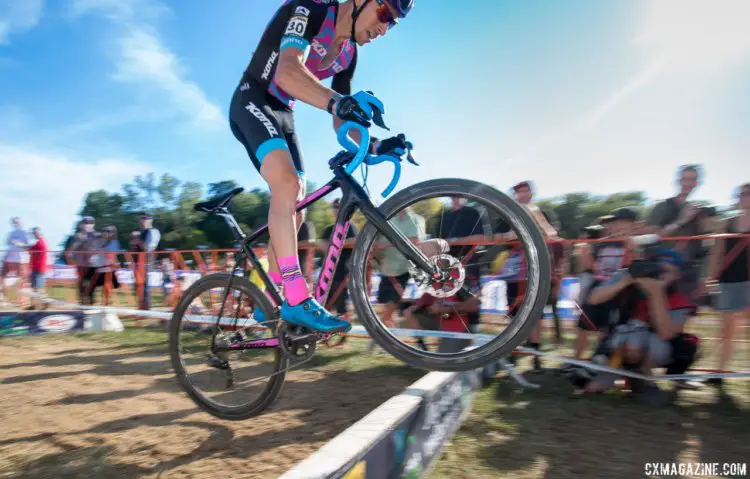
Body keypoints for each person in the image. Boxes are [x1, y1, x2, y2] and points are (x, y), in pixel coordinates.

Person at [231, 0, 416, 333]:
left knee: (297, 203)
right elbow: (287, 72)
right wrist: (338, 102)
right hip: (253, 97)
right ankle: (296, 295)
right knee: (287, 184)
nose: (384, 29)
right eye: (385, 13)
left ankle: (268, 297)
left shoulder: (349, 55)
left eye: (393, 24)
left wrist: (374, 144)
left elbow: (339, 121)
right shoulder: (312, 9)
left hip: (284, 114)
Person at [704, 183, 750, 388]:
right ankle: (719, 372)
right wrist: (710, 277)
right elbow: (717, 252)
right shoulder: (726, 223)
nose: (744, 197)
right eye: (741, 194)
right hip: (729, 280)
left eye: (747, 194)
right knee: (727, 331)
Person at [27, 227, 48, 310]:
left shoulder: (40, 243)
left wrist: (22, 245)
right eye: (34, 233)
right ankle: (34, 305)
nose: (34, 234)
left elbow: (30, 250)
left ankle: (44, 302)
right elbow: (30, 250)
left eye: (35, 233)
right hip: (36, 268)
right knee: (34, 288)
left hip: (39, 269)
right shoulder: (39, 242)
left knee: (38, 288)